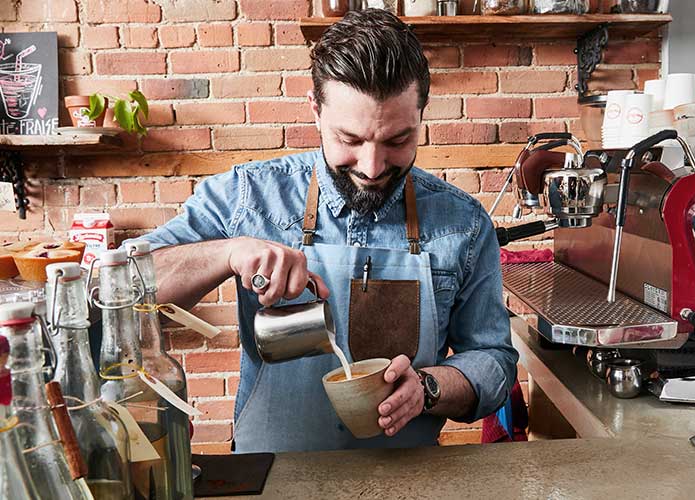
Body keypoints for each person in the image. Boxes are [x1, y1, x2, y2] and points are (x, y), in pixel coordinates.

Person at [138, 9, 518, 453]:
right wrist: (228, 252)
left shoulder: (464, 223)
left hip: (409, 481)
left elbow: (494, 359)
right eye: (350, 140)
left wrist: (429, 388)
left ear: (421, 114)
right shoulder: (247, 197)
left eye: (397, 141)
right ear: (315, 111)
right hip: (274, 475)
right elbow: (122, 286)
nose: (373, 168)